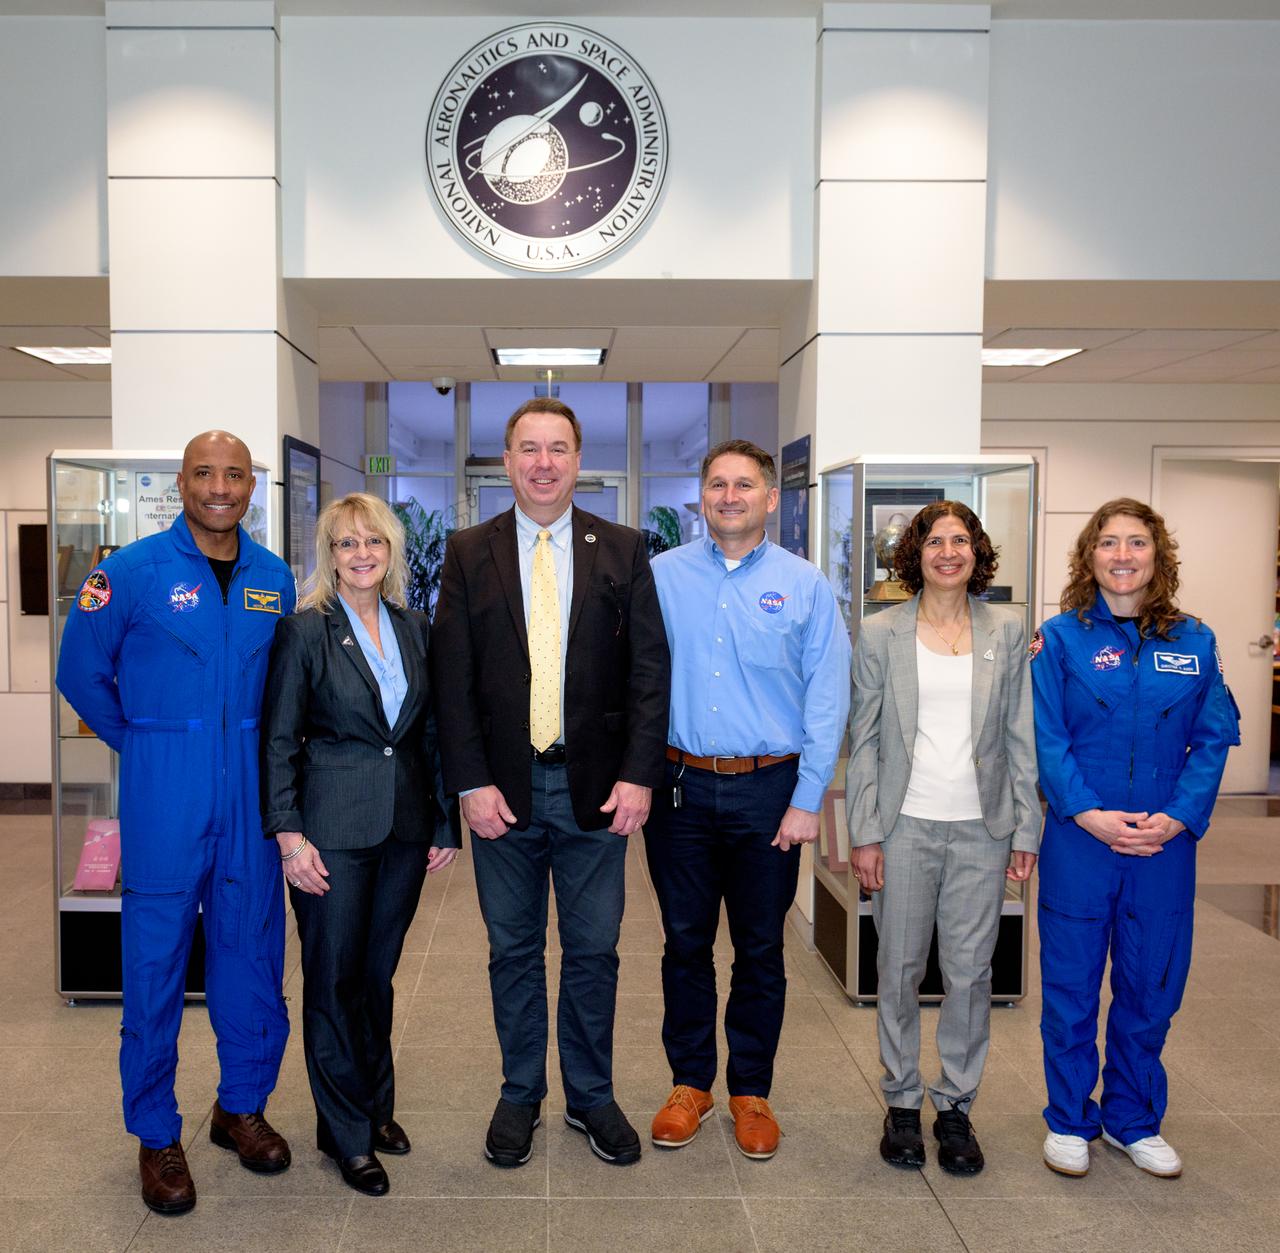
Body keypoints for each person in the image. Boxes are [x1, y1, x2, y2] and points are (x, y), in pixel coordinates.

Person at [56, 431, 296, 1215]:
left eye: (234, 473)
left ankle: (239, 1106)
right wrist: (145, 742)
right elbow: (79, 672)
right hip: (166, 792)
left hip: (250, 799)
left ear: (252, 485)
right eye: (204, 472)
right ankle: (157, 1132)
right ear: (182, 482)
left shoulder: (274, 577)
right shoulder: (127, 573)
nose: (219, 486)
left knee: (250, 953)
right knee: (155, 964)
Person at [430, 397, 670, 1169]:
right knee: (513, 949)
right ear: (506, 462)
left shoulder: (625, 547)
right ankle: (521, 1091)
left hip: (597, 791)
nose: (543, 462)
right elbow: (452, 678)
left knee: (595, 950)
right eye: (528, 448)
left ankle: (592, 1095)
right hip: (503, 789)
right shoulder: (469, 550)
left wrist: (640, 774)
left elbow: (648, 674)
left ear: (577, 459)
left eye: (557, 448)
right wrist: (468, 782)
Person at [645, 440, 850, 1161]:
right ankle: (690, 1083)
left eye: (744, 485)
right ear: (701, 496)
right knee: (684, 941)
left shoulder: (806, 586)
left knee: (761, 947)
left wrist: (806, 798)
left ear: (770, 498)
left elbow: (828, 699)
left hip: (771, 790)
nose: (729, 495)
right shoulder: (661, 577)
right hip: (680, 786)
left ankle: (751, 1090)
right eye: (716, 484)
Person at [259, 493, 459, 1197]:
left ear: (392, 549)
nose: (361, 554)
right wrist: (289, 836)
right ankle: (344, 1133)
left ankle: (373, 1108)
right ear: (329, 554)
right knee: (334, 978)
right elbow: (279, 738)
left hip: (403, 827)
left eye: (373, 541)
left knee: (376, 977)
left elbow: (429, 732)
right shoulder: (306, 630)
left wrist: (442, 821)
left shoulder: (414, 627)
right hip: (330, 832)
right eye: (346, 543)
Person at [1033, 499, 1239, 1180]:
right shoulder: (1059, 639)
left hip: (1163, 843)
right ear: (1089, 556)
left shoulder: (1195, 642)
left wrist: (1178, 816)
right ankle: (1068, 1118)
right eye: (1109, 543)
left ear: (1158, 555)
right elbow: (1046, 737)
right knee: (1071, 986)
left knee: (1152, 985)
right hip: (1081, 839)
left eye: (1138, 542)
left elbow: (1213, 738)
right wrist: (1086, 812)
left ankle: (1131, 1119)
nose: (1123, 555)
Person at [845, 501, 1040, 1175]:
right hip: (904, 826)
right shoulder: (880, 633)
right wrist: (864, 831)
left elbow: (1021, 733)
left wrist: (1025, 826)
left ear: (976, 551)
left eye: (960, 540)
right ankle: (901, 1102)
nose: (948, 551)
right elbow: (863, 741)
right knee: (896, 969)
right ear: (916, 553)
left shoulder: (1007, 629)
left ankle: (954, 1105)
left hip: (982, 830)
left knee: (969, 972)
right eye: (935, 540)